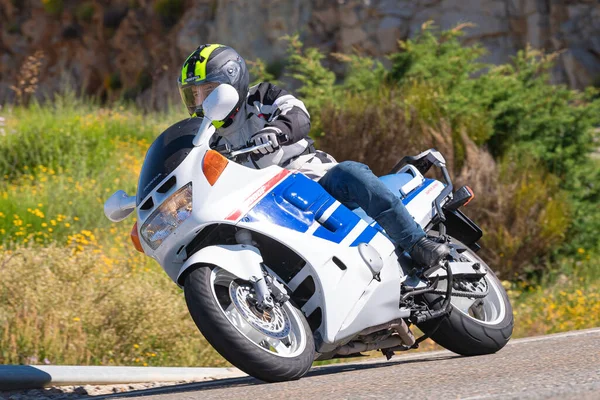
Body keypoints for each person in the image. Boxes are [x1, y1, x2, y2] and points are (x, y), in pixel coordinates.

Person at [177, 44, 449, 268]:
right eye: (194, 95)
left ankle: (416, 242)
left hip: (318, 183)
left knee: (350, 172)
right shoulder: (207, 140)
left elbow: (297, 113)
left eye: (209, 91)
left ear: (232, 80)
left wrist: (276, 130)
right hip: (269, 211)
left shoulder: (261, 96)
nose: (200, 102)